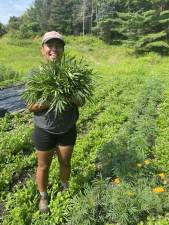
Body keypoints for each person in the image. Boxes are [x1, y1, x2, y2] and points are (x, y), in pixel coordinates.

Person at [28, 31, 83, 213]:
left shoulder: (73, 72)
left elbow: (82, 100)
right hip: (44, 129)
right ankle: (43, 197)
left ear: (63, 49)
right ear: (42, 49)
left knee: (65, 163)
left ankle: (64, 188)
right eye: (49, 45)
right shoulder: (36, 74)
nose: (54, 49)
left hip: (67, 127)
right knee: (43, 165)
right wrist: (51, 100)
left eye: (58, 45)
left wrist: (69, 97)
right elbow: (31, 106)